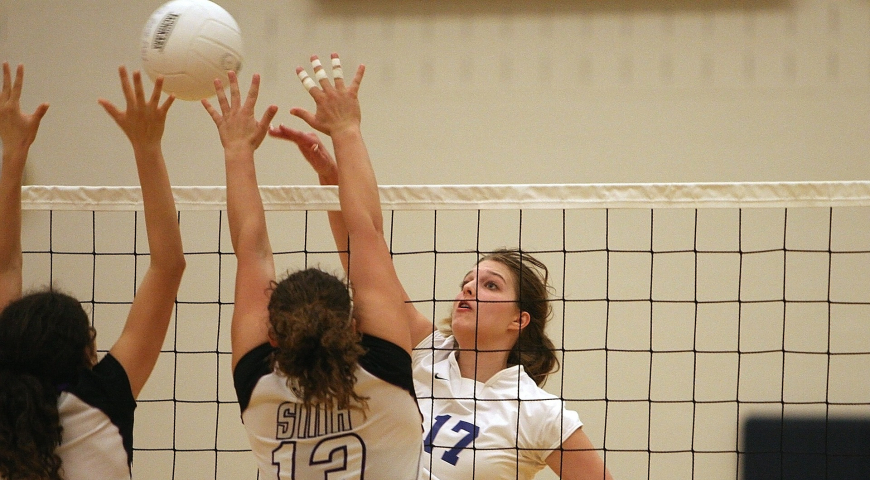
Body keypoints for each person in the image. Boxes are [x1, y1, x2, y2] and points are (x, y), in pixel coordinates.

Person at [272, 65, 614, 480]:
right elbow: (364, 254)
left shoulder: (540, 412)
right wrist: (330, 179)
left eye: (490, 285)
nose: (469, 288)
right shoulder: (424, 349)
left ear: (517, 320)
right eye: (468, 281)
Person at [202, 54, 423, 479]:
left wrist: (236, 152)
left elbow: (251, 251)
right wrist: (346, 129)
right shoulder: (384, 373)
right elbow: (366, 231)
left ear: (271, 333)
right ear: (355, 324)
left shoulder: (260, 391)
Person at [0, 63, 185, 480]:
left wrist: (13, 153)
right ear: (86, 351)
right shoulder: (105, 397)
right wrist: (147, 147)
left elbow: (5, 267)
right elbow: (169, 265)